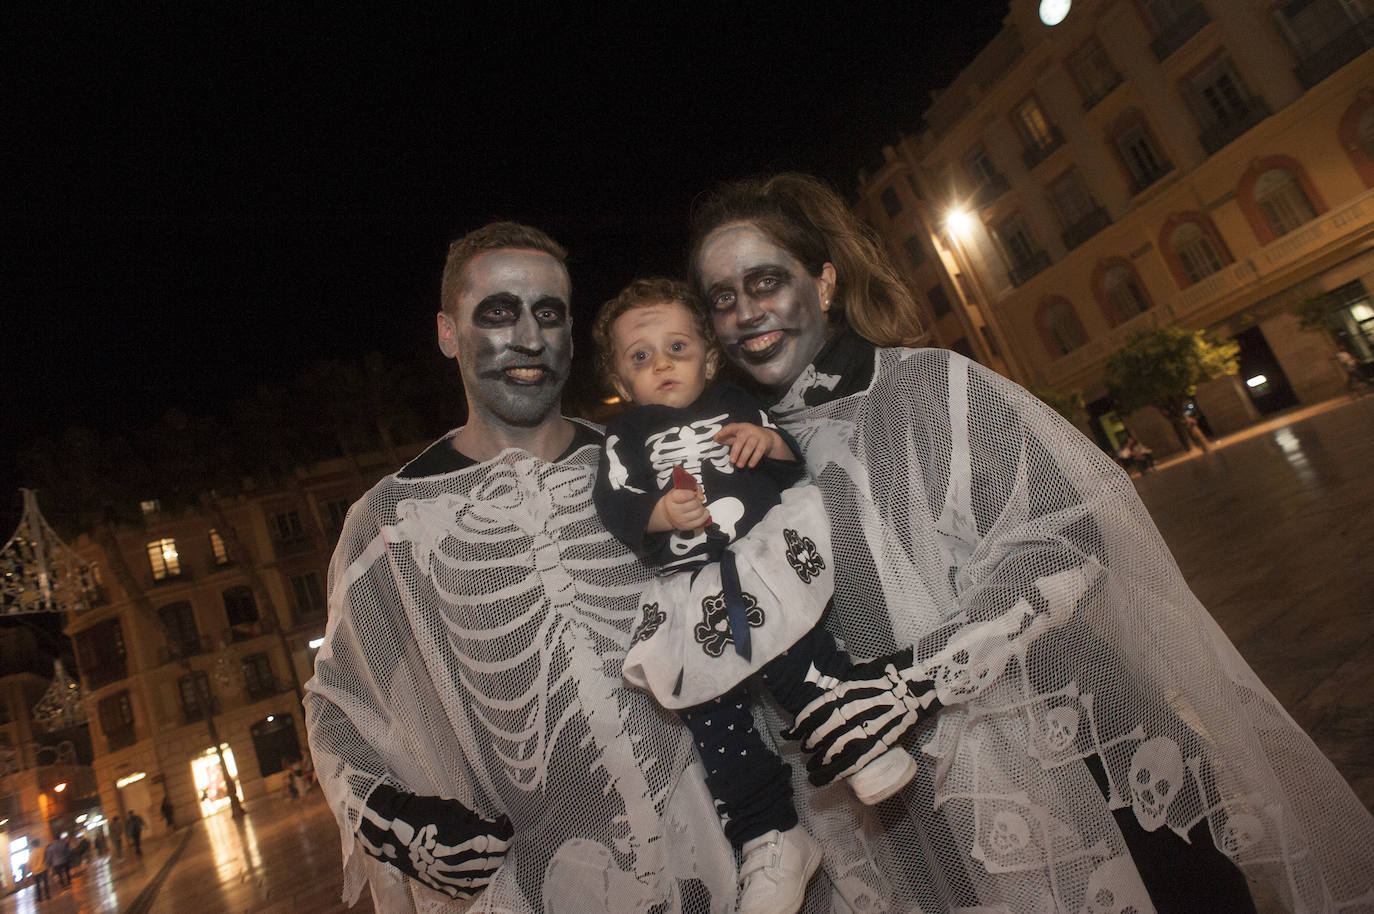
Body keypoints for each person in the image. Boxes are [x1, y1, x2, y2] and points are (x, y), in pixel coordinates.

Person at [688, 172, 1374, 913]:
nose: (745, 313)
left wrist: (911, 680)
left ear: (823, 283)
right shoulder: (722, 466)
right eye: (722, 297)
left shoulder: (929, 386)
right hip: (906, 812)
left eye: (765, 281)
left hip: (1075, 748)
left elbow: (1068, 537)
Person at [304, 223, 744, 912]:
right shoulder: (391, 524)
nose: (529, 338)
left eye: (549, 312)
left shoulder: (651, 466)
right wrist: (391, 820)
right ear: (448, 333)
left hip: (729, 864)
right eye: (498, 312)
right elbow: (337, 704)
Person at [591, 279, 918, 913]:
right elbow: (615, 502)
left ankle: (857, 740)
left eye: (677, 346)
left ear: (708, 359)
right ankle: (770, 836)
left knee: (804, 657)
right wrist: (657, 513)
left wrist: (768, 444)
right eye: (640, 356)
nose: (661, 363)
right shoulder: (623, 437)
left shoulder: (735, 400)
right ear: (621, 380)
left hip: (760, 563)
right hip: (691, 593)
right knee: (715, 722)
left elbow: (788, 456)